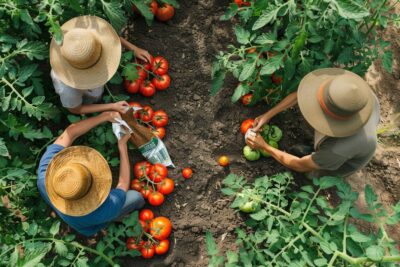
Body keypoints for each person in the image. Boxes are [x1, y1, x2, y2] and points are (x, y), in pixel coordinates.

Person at [247, 68, 380, 178]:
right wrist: (268, 115)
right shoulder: (349, 93)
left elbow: (300, 165)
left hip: (339, 163)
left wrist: (265, 147)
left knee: (313, 175)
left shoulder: (336, 150)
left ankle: (318, 163)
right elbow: (300, 95)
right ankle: (316, 152)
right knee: (323, 150)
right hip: (345, 143)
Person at [37, 111, 145, 236]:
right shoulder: (103, 209)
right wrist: (123, 147)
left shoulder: (44, 176)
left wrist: (105, 116)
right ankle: (116, 217)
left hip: (74, 219)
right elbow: (122, 185)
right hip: (92, 224)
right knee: (136, 197)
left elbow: (69, 134)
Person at [49, 15, 151, 115]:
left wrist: (134, 49)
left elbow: (110, 37)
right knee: (95, 95)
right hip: (84, 96)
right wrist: (111, 106)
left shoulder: (82, 35)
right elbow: (75, 109)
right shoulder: (68, 89)